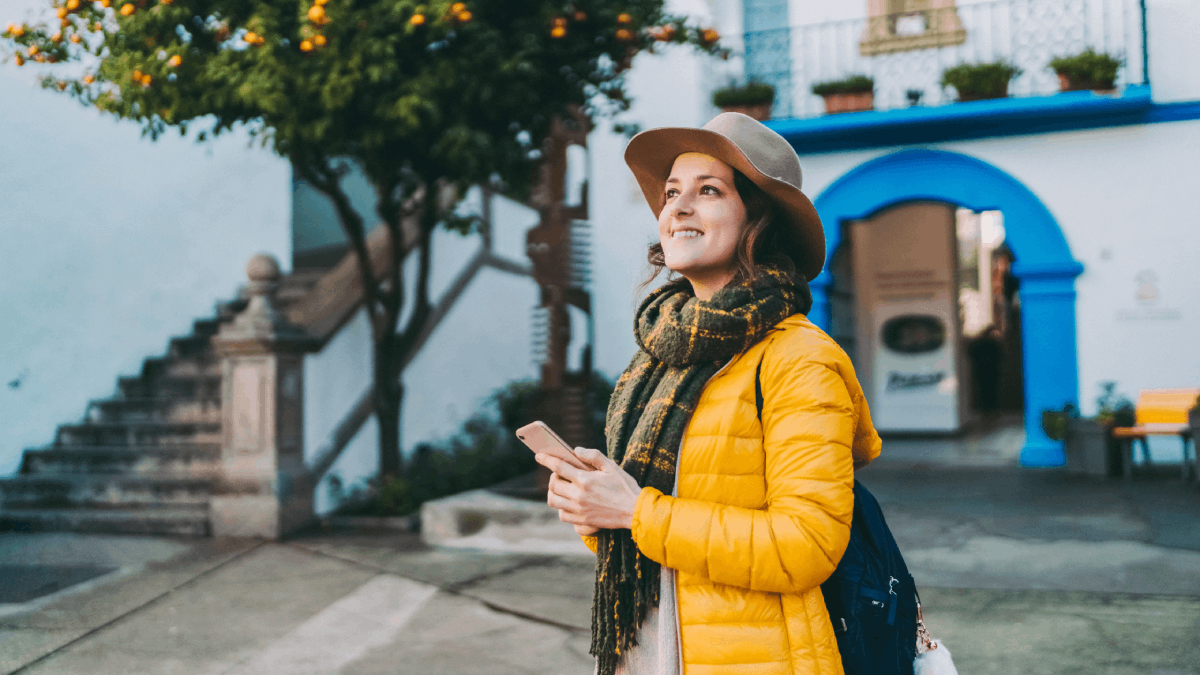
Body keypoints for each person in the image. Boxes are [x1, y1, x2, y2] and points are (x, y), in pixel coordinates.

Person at [534, 112, 882, 675]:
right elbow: (643, 539)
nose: (678, 208)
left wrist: (635, 510)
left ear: (758, 222)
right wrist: (594, 510)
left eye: (709, 191)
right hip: (651, 648)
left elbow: (807, 546)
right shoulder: (656, 357)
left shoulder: (798, 358)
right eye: (671, 193)